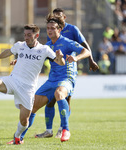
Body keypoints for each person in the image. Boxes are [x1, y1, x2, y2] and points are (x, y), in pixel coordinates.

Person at [0, 24, 65, 145]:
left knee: (24, 121)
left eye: (29, 35)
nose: (26, 37)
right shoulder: (20, 45)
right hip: (13, 80)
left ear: (36, 36)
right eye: (25, 35)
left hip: (28, 88)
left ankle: (17, 137)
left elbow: (60, 63)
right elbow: (8, 52)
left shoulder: (44, 49)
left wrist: (60, 57)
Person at [10, 13, 91, 143]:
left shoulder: (67, 42)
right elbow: (34, 57)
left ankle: (65, 129)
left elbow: (86, 51)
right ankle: (19, 138)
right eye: (48, 28)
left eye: (53, 28)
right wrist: (19, 61)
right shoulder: (47, 46)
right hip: (51, 80)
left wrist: (76, 58)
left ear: (59, 30)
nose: (50, 30)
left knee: (59, 94)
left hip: (66, 79)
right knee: (32, 106)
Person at [36, 8, 99, 139]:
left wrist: (90, 60)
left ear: (64, 17)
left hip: (69, 68)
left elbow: (84, 45)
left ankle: (63, 128)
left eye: (59, 16)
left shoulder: (72, 29)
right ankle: (49, 130)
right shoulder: (51, 31)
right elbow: (50, 49)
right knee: (50, 101)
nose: (57, 18)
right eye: (55, 16)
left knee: (64, 97)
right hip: (55, 70)